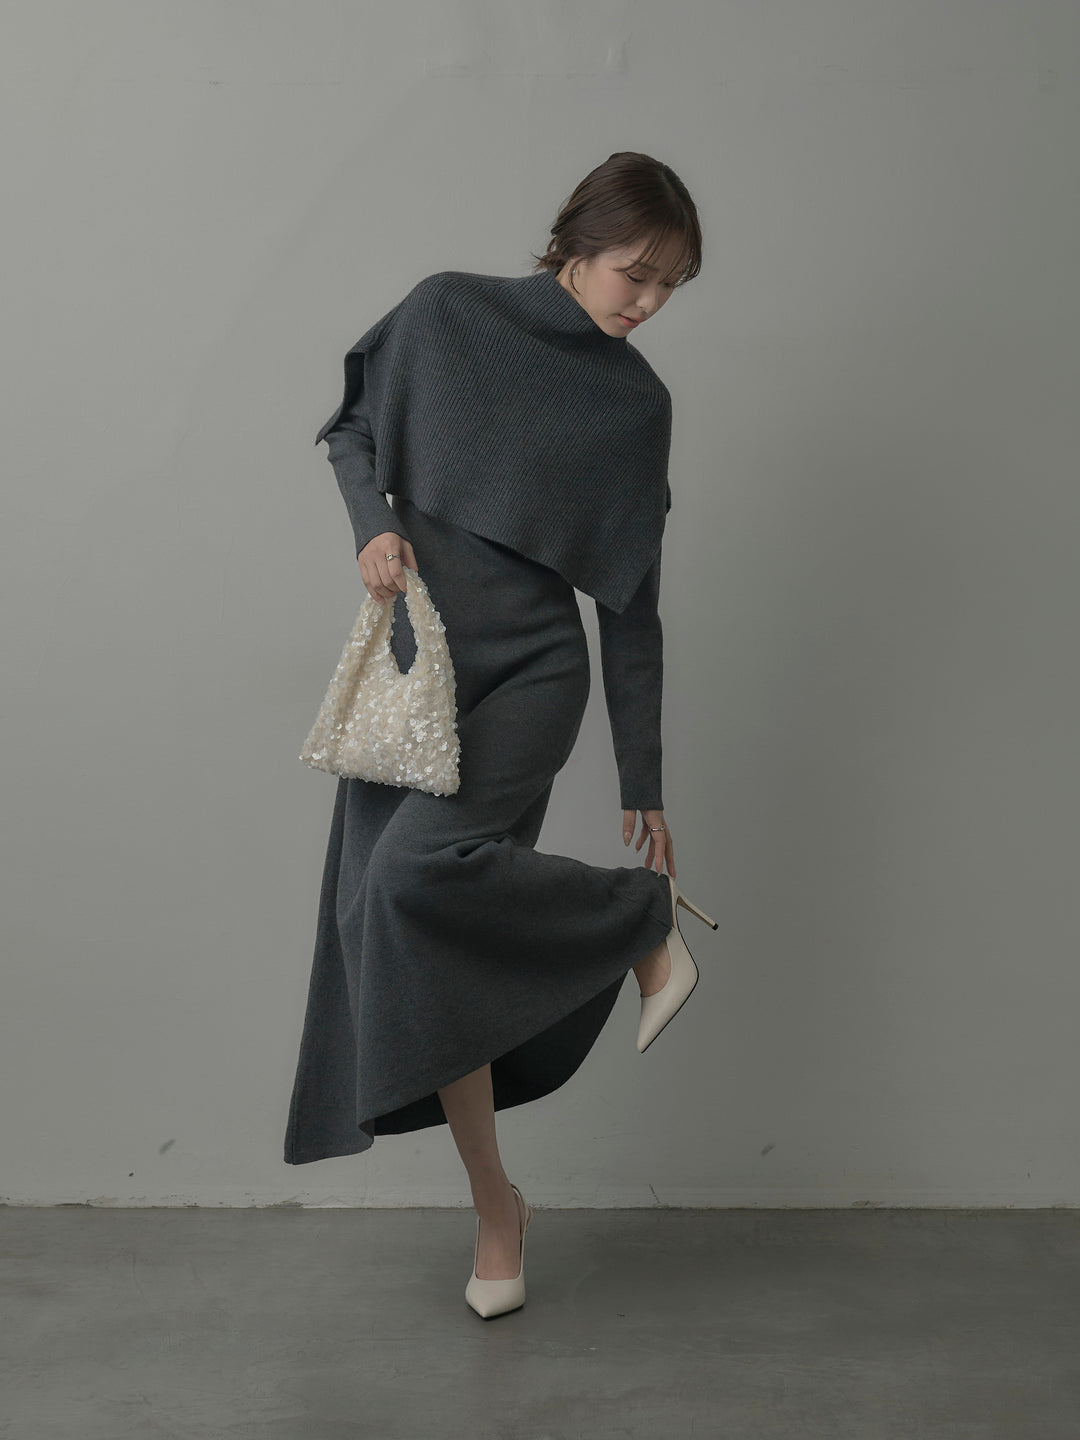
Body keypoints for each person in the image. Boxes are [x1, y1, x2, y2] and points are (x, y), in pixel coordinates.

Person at [284, 152, 717, 1318]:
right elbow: (352, 430)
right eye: (636, 273)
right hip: (418, 675)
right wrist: (371, 528)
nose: (649, 302)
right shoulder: (447, 316)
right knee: (415, 940)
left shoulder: (634, 405)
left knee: (413, 882)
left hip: (532, 675)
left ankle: (642, 916)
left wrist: (643, 779)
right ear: (576, 244)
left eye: (671, 285)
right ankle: (496, 1211)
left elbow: (631, 604)